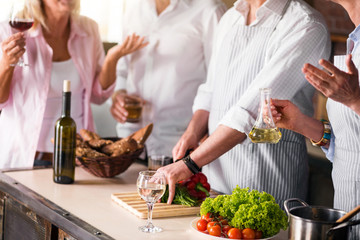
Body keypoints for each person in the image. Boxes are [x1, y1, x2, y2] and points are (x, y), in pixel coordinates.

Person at [157, 0, 332, 208]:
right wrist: (192, 133)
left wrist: (191, 163)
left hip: (266, 177)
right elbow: (210, 90)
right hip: (215, 175)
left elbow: (252, 112)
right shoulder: (230, 18)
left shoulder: (305, 24)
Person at [0, 0, 147, 168]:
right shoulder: (7, 31)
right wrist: (6, 64)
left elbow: (98, 96)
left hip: (78, 158)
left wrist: (112, 57)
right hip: (26, 158)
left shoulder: (89, 29)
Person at [270, 2, 360, 237]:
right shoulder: (355, 40)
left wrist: (354, 100)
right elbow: (352, 138)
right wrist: (300, 123)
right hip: (348, 216)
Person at [110, 0, 227, 156]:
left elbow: (220, 82)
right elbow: (122, 70)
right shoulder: (134, 8)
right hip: (128, 143)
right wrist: (118, 95)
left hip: (179, 148)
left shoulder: (210, 11)